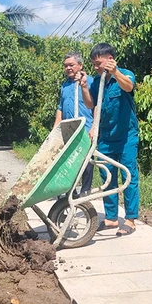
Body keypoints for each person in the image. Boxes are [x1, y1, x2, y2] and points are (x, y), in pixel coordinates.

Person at [79, 43, 140, 235]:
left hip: (126, 138)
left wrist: (115, 73)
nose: (95, 68)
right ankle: (112, 218)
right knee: (108, 177)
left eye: (99, 63)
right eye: (94, 64)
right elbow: (91, 104)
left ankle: (130, 220)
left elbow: (128, 87)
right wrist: (84, 88)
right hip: (105, 137)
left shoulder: (125, 74)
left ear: (110, 59)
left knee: (129, 176)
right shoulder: (97, 81)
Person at [54, 52, 95, 197]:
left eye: (71, 65)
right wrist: (55, 130)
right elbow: (61, 108)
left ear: (80, 65)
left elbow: (96, 106)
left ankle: (85, 194)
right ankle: (69, 193)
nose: (68, 68)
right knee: (68, 162)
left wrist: (94, 128)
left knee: (86, 163)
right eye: (66, 66)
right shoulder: (65, 85)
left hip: (86, 129)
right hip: (68, 130)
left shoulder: (90, 81)